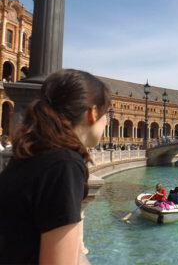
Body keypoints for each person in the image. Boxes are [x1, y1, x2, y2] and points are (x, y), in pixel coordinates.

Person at [0, 69, 110, 264]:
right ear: (92, 113)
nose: (107, 121)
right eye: (106, 113)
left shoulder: (31, 156)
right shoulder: (63, 164)